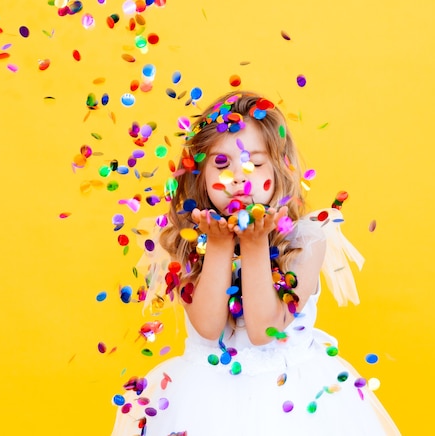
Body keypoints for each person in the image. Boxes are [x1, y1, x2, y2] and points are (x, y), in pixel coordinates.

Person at [111, 91, 400, 435]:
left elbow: (265, 331)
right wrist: (218, 245)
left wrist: (254, 242)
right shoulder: (186, 238)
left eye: (255, 163)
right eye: (221, 164)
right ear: (199, 173)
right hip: (205, 403)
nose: (238, 177)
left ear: (278, 168)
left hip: (290, 403)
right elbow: (208, 328)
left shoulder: (306, 240)